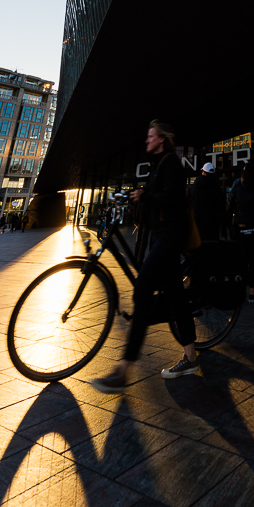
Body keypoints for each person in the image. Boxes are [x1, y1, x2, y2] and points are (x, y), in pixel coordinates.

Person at [91, 120, 198, 393]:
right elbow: (150, 193)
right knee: (176, 296)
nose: (147, 140)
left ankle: (123, 369)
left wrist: (145, 196)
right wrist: (131, 195)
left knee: (142, 291)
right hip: (160, 236)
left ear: (161, 139)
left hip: (170, 236)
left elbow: (171, 196)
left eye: (151, 136)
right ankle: (191, 358)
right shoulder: (157, 166)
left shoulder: (171, 162)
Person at [227, 164, 254, 303]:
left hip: (239, 230)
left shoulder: (236, 191)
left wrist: (227, 229)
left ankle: (240, 292)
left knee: (239, 262)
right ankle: (252, 293)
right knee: (252, 262)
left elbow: (229, 211)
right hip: (253, 231)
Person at [191, 162, 226, 241]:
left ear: (203, 172)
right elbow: (221, 211)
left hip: (198, 227)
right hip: (212, 228)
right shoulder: (216, 189)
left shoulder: (194, 187)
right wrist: (223, 233)